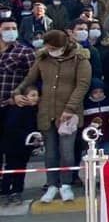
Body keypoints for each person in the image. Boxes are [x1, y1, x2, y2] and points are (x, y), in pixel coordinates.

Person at [13, 30, 92, 203]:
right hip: (46, 112)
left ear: (63, 46)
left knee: (67, 152)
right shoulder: (42, 58)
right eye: (47, 46)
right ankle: (51, 185)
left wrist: (70, 108)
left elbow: (82, 85)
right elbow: (29, 79)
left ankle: (66, 184)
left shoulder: (80, 59)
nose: (49, 49)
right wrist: (17, 92)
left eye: (53, 47)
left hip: (68, 114)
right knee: (50, 153)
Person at [1, 85, 38, 205]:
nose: (35, 98)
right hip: (12, 144)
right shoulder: (14, 109)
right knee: (10, 168)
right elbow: (11, 127)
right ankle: (5, 191)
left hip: (26, 146)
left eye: (37, 95)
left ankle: (17, 191)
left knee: (21, 169)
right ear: (24, 96)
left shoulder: (33, 110)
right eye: (32, 95)